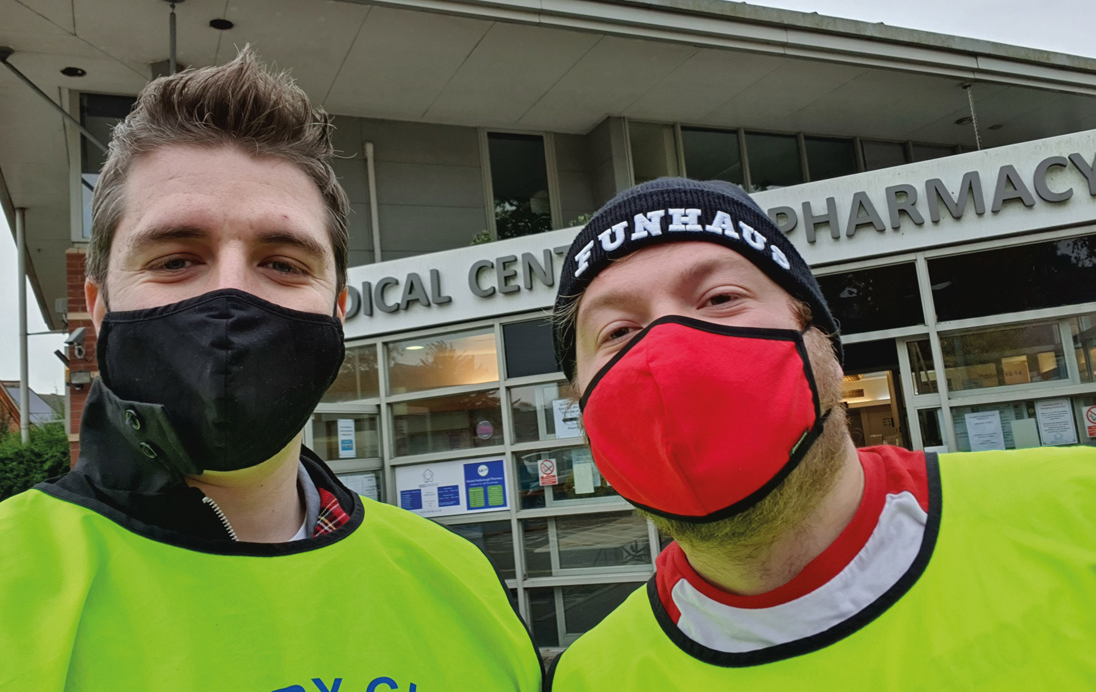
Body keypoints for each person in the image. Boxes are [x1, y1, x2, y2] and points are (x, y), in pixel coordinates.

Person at [0, 49, 542, 690]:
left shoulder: (459, 578)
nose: (232, 298)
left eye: (283, 264)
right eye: (176, 259)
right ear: (98, 307)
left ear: (338, 311)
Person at [547, 178, 1096, 689]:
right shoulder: (592, 676)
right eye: (618, 331)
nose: (668, 354)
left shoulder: (1078, 509)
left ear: (824, 346)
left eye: (721, 298)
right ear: (581, 410)